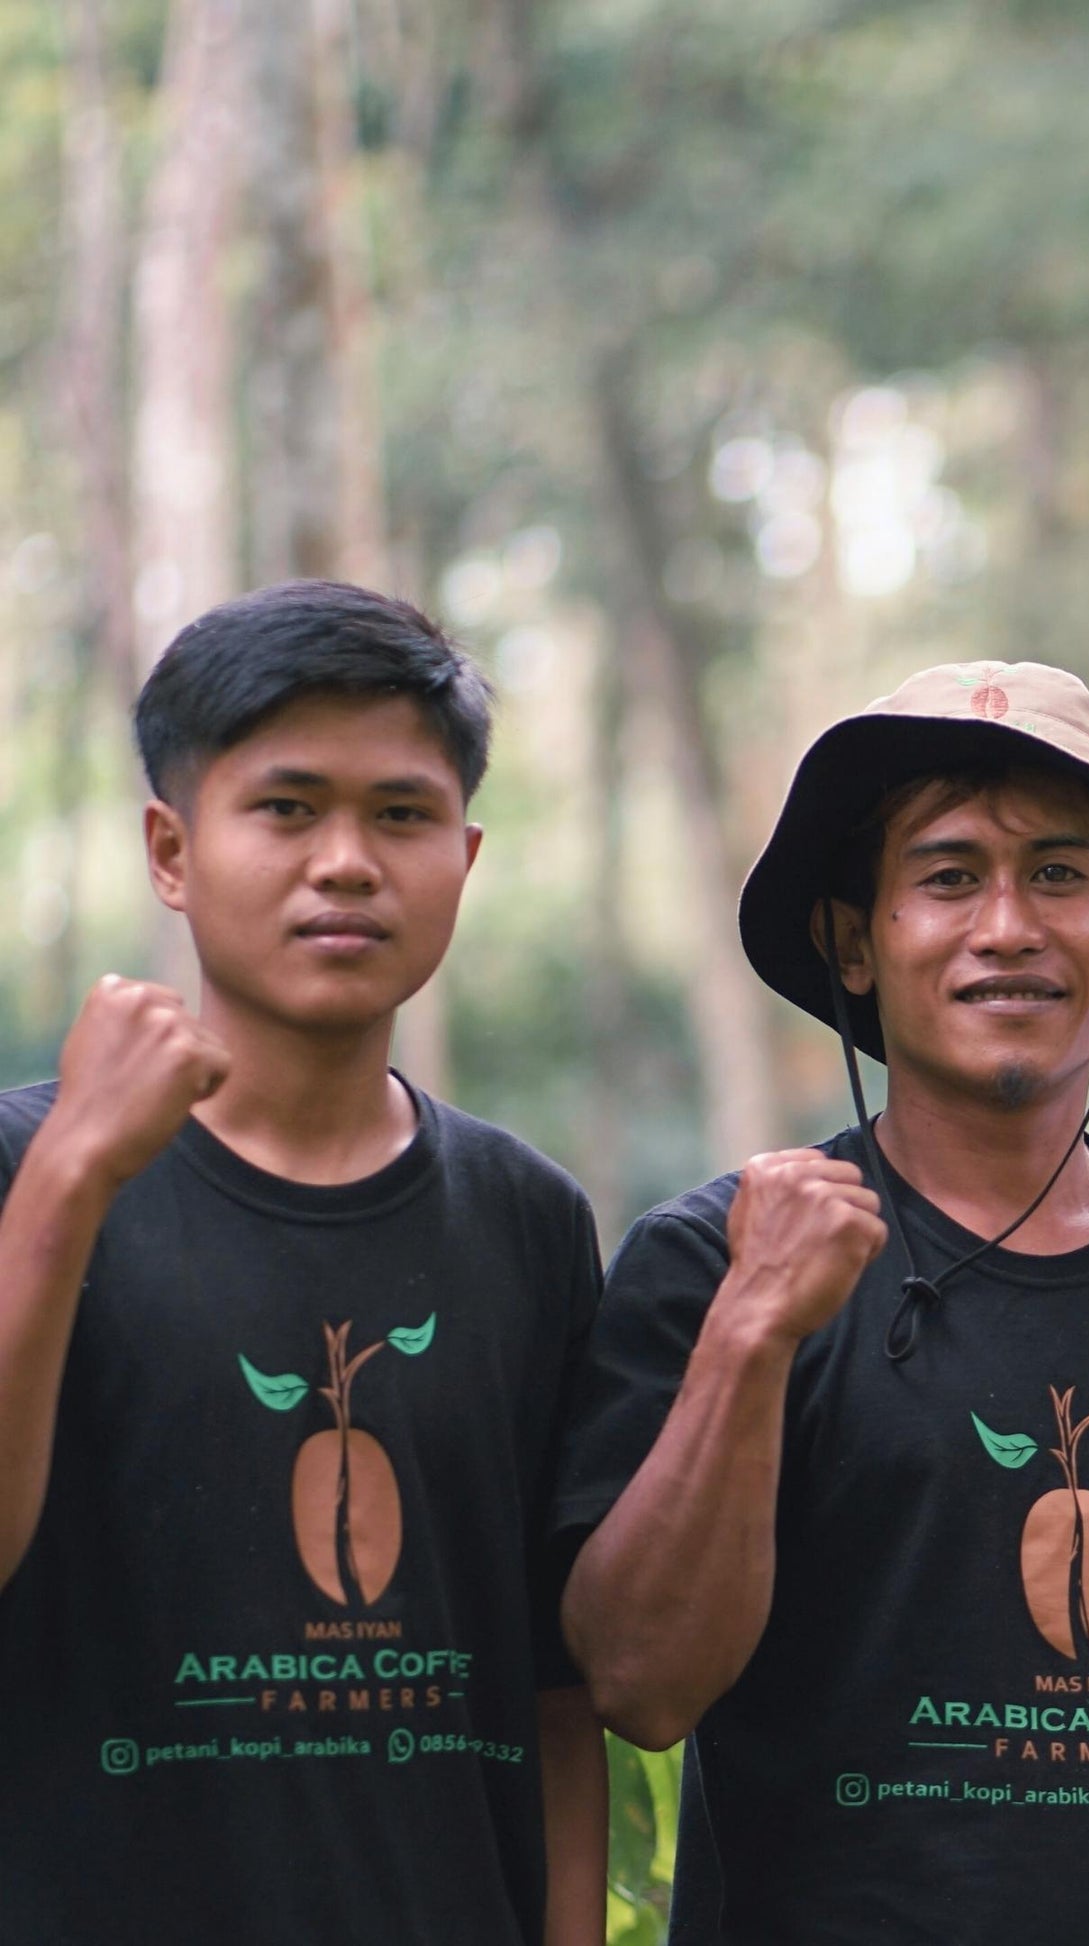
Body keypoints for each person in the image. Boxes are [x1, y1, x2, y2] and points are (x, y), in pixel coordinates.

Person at [556, 662, 1089, 1944]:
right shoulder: (711, 1259)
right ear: (854, 940)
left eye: (1054, 873)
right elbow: (638, 1686)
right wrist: (754, 1330)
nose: (1005, 926)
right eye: (945, 875)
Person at [0, 582, 607, 1946]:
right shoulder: (26, 1165)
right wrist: (71, 1182)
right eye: (285, 807)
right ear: (172, 848)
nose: (346, 861)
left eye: (401, 814)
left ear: (467, 851)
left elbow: (557, 1698)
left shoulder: (529, 1218)